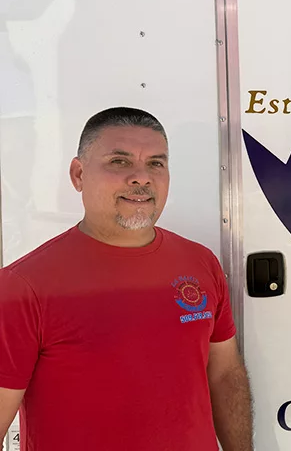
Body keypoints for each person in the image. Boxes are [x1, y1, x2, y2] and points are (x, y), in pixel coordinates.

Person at [0, 107, 253, 450]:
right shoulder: (22, 286)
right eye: (119, 162)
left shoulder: (200, 264)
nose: (141, 177)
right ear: (78, 175)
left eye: (156, 163)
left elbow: (224, 374)